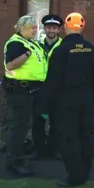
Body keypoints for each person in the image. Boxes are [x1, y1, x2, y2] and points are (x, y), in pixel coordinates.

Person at [45, 12, 94, 188]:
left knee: (69, 138)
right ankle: (84, 173)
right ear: (83, 27)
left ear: (66, 28)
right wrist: (93, 101)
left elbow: (53, 81)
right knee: (86, 135)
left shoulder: (60, 51)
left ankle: (74, 176)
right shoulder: (93, 50)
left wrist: (48, 106)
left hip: (66, 101)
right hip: (87, 100)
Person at [3, 15, 48, 177]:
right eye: (32, 27)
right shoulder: (16, 43)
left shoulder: (32, 43)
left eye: (36, 27)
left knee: (24, 125)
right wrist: (27, 54)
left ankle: (19, 159)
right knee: (18, 126)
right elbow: (10, 65)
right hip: (20, 91)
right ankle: (13, 162)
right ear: (21, 28)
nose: (35, 30)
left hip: (32, 90)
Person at [30, 14, 63, 160]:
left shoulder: (64, 46)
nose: (51, 30)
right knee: (38, 121)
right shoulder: (37, 45)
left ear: (59, 30)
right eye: (49, 27)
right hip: (40, 90)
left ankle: (54, 149)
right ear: (45, 28)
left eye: (54, 28)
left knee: (56, 122)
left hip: (57, 90)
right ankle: (38, 150)